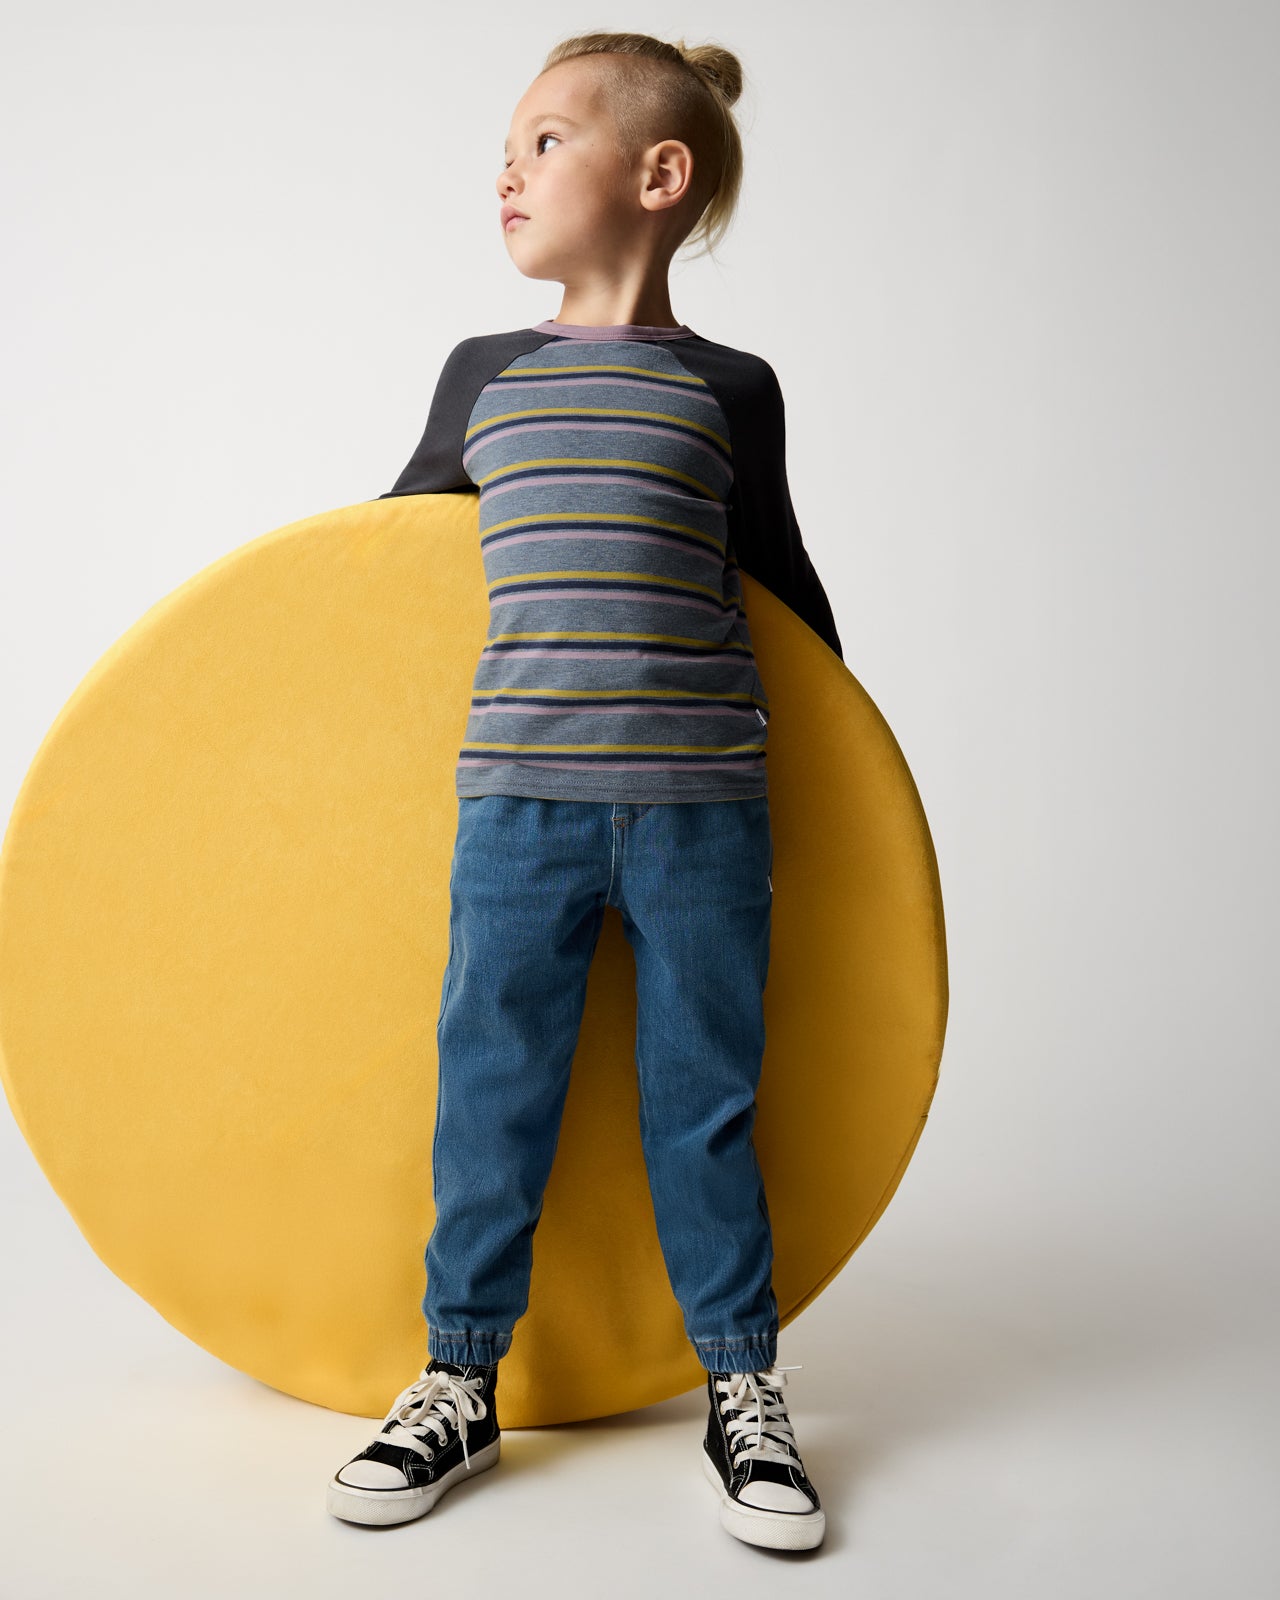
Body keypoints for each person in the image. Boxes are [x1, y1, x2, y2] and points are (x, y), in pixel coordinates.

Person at [326, 30, 841, 1553]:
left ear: (656, 176)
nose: (507, 167)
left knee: (706, 1110)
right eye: (508, 145)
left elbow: (792, 597)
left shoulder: (729, 390)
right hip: (516, 812)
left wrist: (873, 804)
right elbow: (378, 566)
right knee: (492, 1097)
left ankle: (740, 1384)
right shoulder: (480, 377)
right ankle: (458, 1378)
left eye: (545, 140)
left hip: (702, 814)